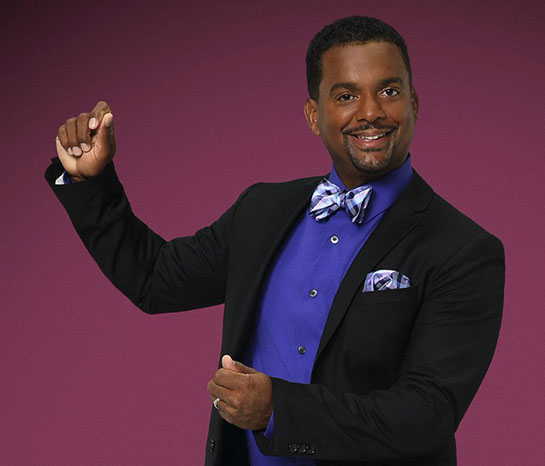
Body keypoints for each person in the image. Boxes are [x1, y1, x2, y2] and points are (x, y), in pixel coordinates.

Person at [46, 16, 505, 466]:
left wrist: (277, 411)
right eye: (346, 95)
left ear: (414, 103)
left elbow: (427, 414)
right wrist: (91, 181)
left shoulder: (463, 250)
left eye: (389, 91)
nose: (371, 112)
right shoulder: (262, 210)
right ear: (314, 115)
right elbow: (155, 279)